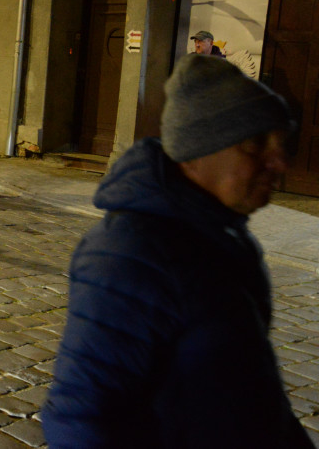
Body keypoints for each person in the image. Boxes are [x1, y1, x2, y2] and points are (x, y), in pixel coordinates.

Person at [43, 53, 308, 448]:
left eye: (279, 143)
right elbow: (81, 414)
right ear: (200, 150)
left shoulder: (226, 236)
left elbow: (251, 390)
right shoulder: (128, 253)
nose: (280, 162)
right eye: (255, 144)